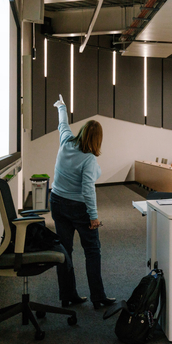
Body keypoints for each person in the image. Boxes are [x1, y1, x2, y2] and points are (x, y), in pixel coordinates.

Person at [50, 95, 114, 309]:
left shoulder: (66, 140)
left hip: (57, 202)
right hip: (78, 208)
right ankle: (98, 297)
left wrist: (62, 107)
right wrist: (94, 216)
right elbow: (88, 190)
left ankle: (68, 295)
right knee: (92, 251)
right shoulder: (89, 159)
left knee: (65, 251)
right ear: (98, 139)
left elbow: (63, 124)